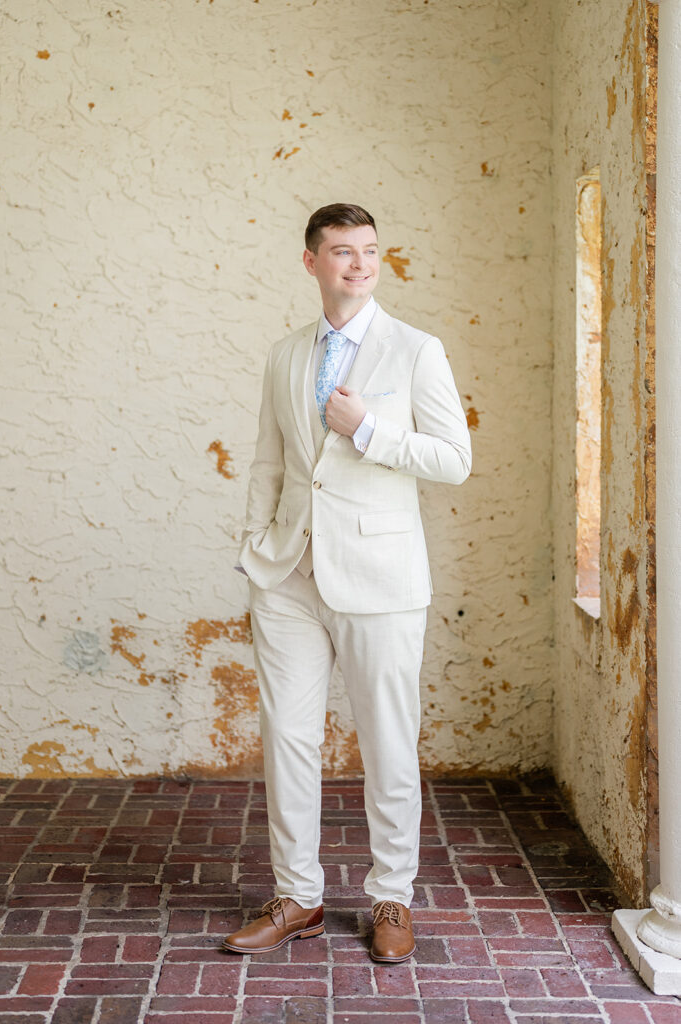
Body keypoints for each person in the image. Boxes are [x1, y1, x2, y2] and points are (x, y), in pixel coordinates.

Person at [221, 203, 472, 963]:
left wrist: (368, 429)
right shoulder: (285, 354)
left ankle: (392, 895)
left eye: (369, 250)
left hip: (380, 577)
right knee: (288, 740)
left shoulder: (416, 350)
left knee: (388, 742)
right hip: (287, 575)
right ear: (312, 262)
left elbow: (453, 460)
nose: (359, 265)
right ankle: (297, 896)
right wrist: (255, 548)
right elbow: (268, 461)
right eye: (342, 251)